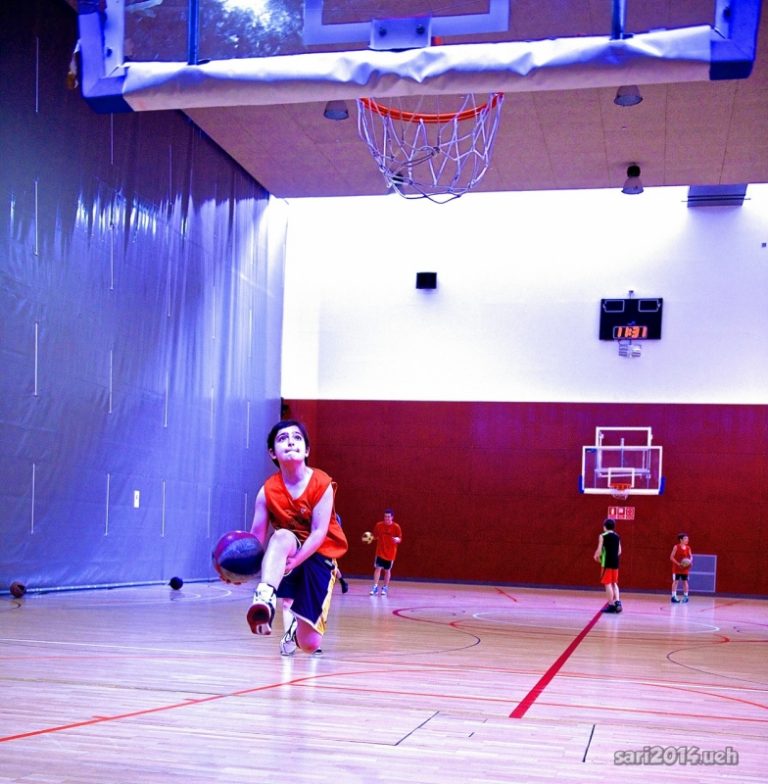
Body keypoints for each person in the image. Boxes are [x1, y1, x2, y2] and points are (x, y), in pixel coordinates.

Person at [247, 420, 348, 656]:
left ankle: (295, 632)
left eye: (297, 437)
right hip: (290, 546)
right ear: (272, 452)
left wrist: (295, 561)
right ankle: (265, 597)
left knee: (309, 644)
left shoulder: (322, 483)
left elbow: (318, 533)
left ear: (307, 450)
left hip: (320, 554)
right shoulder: (266, 491)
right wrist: (238, 570)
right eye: (282, 438)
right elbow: (255, 539)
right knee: (281, 536)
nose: (291, 442)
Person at [369, 508, 402, 596]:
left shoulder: (396, 527)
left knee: (387, 571)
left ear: (392, 517)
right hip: (380, 552)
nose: (386, 518)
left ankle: (385, 588)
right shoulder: (379, 525)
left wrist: (397, 539)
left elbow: (400, 538)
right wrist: (369, 538)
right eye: (385, 516)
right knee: (378, 568)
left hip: (390, 553)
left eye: (388, 517)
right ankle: (375, 587)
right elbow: (375, 536)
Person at [593, 518, 622, 613]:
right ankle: (617, 602)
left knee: (607, 583)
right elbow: (619, 551)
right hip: (615, 562)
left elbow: (599, 549)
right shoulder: (617, 536)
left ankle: (611, 605)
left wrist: (596, 556)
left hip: (607, 563)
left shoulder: (602, 536)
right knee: (614, 583)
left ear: (604, 527)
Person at [670, 532, 693, 603]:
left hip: (685, 569)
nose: (687, 540)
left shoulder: (688, 548)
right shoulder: (676, 547)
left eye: (687, 538)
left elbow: (691, 556)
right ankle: (673, 596)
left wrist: (689, 562)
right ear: (681, 540)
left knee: (685, 582)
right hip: (677, 568)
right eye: (685, 538)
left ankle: (686, 596)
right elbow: (671, 557)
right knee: (675, 582)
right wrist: (678, 564)